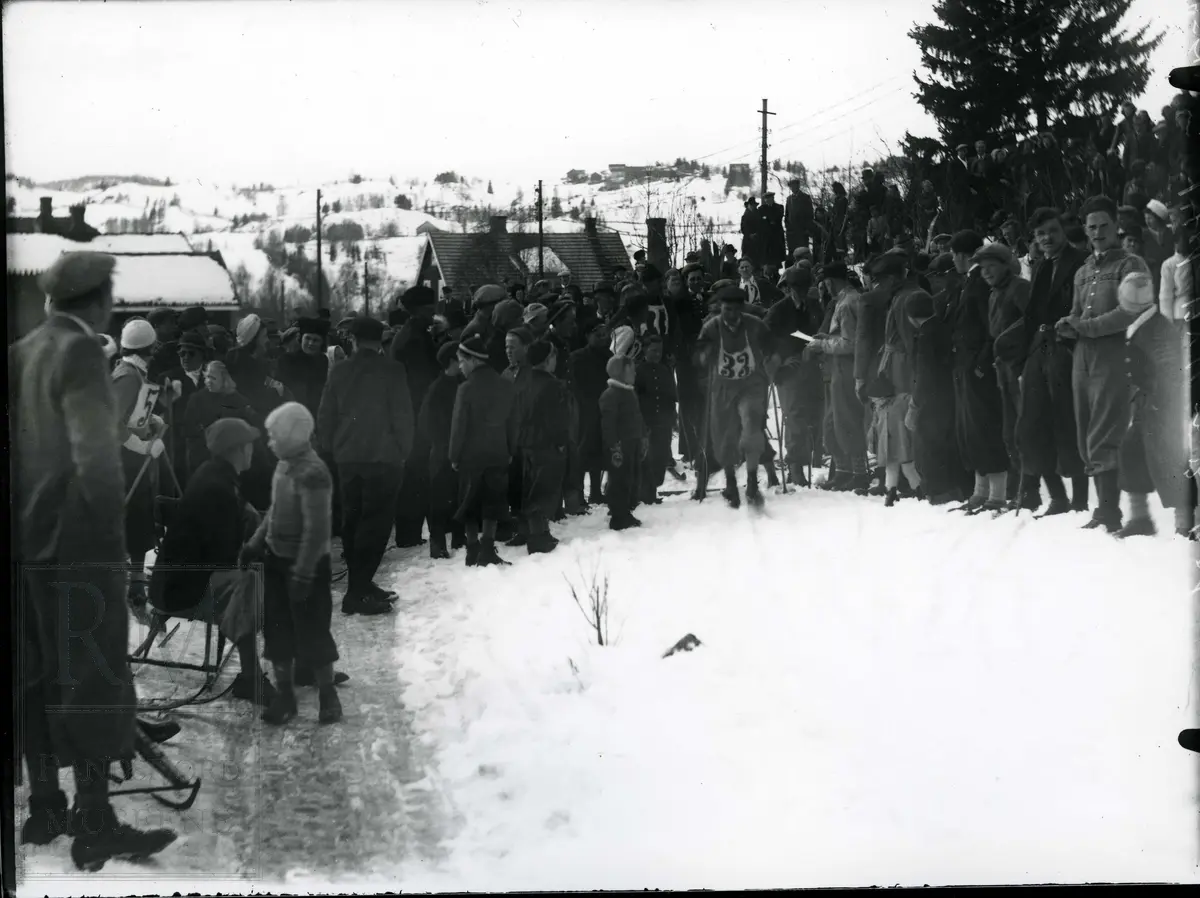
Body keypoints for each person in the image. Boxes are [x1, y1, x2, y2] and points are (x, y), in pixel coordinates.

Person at [12, 251, 177, 869]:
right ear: (102, 300)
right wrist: (111, 544)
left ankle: (45, 807)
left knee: (37, 675)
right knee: (95, 679)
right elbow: (96, 455)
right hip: (77, 547)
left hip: (27, 545)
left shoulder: (22, 351)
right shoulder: (82, 353)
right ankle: (94, 822)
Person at [151, 418, 275, 705]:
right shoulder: (218, 487)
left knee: (260, 577)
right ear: (238, 449)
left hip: (182, 578)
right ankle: (250, 677)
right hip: (181, 589)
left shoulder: (215, 475)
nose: (252, 451)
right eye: (249, 445)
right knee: (252, 581)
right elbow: (226, 558)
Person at [241, 403, 342, 726]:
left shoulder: (313, 472)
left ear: (296, 436)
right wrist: (257, 542)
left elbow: (317, 529)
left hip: (306, 566)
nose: (270, 444)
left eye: (275, 437)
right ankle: (286, 696)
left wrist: (304, 570)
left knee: (313, 631)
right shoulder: (283, 465)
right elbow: (274, 511)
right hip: (276, 561)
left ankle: (328, 694)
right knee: (278, 632)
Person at [1056, 194, 1150, 533]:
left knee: (1104, 432)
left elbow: (1131, 312)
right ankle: (1102, 509)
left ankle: (1111, 512)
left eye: (1104, 226)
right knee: (1085, 430)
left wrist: (1086, 327)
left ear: (1116, 226)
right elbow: (1078, 311)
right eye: (1091, 227)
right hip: (1082, 356)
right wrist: (1068, 323)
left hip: (1115, 355)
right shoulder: (1083, 272)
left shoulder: (1131, 264)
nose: (1098, 233)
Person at [317, 316, 411, 614]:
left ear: (353, 341)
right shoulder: (392, 370)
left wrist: (331, 449)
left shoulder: (340, 370)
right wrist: (403, 451)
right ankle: (356, 592)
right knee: (376, 524)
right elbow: (403, 415)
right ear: (379, 340)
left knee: (353, 522)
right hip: (383, 458)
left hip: (348, 458)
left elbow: (325, 414)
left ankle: (362, 584)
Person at [1012, 207, 1091, 516]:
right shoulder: (1042, 266)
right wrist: (1023, 359)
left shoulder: (1081, 262)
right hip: (1039, 349)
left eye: (1052, 231)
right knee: (1032, 424)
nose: (1046, 238)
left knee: (1068, 422)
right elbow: (1031, 315)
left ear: (1063, 231)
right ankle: (1057, 495)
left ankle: (1080, 499)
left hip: (1067, 349)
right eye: (1040, 234)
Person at [945, 230, 1010, 513]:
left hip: (976, 365)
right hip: (967, 365)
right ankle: (980, 491)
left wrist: (981, 365)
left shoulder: (978, 283)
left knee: (984, 427)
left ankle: (996, 494)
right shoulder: (969, 281)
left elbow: (990, 328)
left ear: (961, 255)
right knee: (971, 430)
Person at [692, 284, 774, 508]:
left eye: (735, 310)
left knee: (750, 426)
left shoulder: (754, 324)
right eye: (726, 309)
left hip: (751, 383)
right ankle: (730, 480)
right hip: (723, 386)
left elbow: (771, 345)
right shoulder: (712, 326)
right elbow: (699, 353)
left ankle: (751, 479)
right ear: (720, 308)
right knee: (724, 434)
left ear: (742, 308)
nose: (731, 315)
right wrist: (704, 355)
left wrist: (773, 361)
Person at [112, 317, 168, 609]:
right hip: (122, 462)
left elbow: (132, 414)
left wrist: (150, 420)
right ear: (149, 348)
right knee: (127, 518)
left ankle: (135, 581)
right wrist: (143, 445)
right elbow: (112, 424)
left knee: (138, 520)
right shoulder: (127, 376)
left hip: (135, 462)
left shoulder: (136, 372)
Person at [449, 335, 519, 567]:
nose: (460, 366)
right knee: (494, 501)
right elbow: (512, 421)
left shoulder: (465, 389)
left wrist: (454, 455)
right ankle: (487, 547)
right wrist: (510, 448)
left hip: (471, 456)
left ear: (473, 360)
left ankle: (472, 550)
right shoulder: (504, 385)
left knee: (470, 502)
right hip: (498, 452)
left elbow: (459, 425)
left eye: (461, 361)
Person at [974, 241, 1032, 510]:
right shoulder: (993, 294)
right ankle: (1019, 488)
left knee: (1023, 430)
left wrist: (1012, 348)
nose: (986, 272)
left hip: (1020, 368)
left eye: (991, 267)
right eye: (982, 268)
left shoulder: (1019, 288)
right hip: (1002, 370)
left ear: (1005, 265)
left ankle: (1029, 491)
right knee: (1010, 433)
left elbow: (1031, 321)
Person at [807, 263, 868, 491]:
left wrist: (822, 344)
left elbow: (851, 344)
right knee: (833, 423)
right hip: (837, 368)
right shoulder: (846, 300)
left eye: (826, 283)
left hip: (846, 368)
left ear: (831, 281)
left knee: (847, 421)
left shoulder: (848, 302)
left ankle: (859, 473)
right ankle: (844, 471)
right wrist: (828, 336)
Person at [391, 286, 442, 550]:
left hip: (413, 415)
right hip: (416, 416)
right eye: (428, 309)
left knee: (416, 476)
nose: (433, 314)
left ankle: (409, 534)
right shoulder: (413, 339)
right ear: (417, 310)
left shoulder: (414, 334)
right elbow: (423, 383)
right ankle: (408, 536)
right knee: (415, 477)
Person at [764, 264, 824, 486]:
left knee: (813, 415)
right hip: (789, 372)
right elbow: (764, 339)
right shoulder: (778, 310)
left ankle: (809, 461)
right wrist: (780, 361)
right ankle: (795, 467)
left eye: (804, 286)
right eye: (795, 287)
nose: (799, 291)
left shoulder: (814, 306)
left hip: (812, 368)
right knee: (795, 417)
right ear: (788, 288)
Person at [518, 341, 572, 553]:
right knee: (543, 490)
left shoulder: (524, 380)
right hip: (546, 443)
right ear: (548, 359)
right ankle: (539, 536)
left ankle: (536, 532)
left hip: (526, 441)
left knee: (531, 487)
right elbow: (557, 418)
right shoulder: (552, 384)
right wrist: (561, 442)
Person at [418, 340, 466, 558]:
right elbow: (427, 423)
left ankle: (459, 538)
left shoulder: (461, 382)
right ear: (451, 361)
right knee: (439, 498)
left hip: (457, 448)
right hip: (442, 449)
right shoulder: (437, 388)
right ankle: (437, 544)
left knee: (458, 496)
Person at [182, 360, 261, 475]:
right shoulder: (196, 399)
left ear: (225, 380)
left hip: (232, 456)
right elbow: (188, 429)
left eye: (213, 378)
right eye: (207, 377)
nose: (208, 381)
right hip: (202, 454)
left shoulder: (239, 401)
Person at [568, 319, 613, 506]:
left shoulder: (609, 355)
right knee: (583, 451)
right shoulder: (577, 357)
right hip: (585, 409)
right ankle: (578, 495)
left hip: (604, 407)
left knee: (600, 451)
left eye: (605, 335)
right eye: (598, 335)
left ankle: (596, 491)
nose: (603, 339)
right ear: (587, 336)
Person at [599, 354, 646, 530]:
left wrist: (642, 436)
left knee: (631, 477)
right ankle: (618, 515)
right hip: (620, 445)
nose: (634, 372)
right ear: (620, 371)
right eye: (630, 369)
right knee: (619, 479)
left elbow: (638, 417)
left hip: (632, 442)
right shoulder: (611, 395)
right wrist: (614, 446)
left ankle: (625, 510)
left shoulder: (629, 392)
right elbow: (608, 424)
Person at [634, 334, 677, 503]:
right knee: (648, 458)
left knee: (661, 457)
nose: (657, 354)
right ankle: (646, 494)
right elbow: (636, 396)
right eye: (653, 351)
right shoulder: (638, 370)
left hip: (663, 421)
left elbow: (671, 394)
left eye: (659, 351)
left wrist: (673, 415)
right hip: (647, 421)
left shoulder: (665, 370)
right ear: (644, 350)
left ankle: (653, 489)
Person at [785, 178, 815, 255]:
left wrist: (808, 228)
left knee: (803, 251)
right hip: (792, 231)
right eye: (791, 187)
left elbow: (810, 214)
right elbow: (787, 214)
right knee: (793, 252)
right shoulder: (789, 199)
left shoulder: (805, 197)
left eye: (794, 186)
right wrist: (788, 227)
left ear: (798, 186)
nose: (792, 188)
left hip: (802, 230)